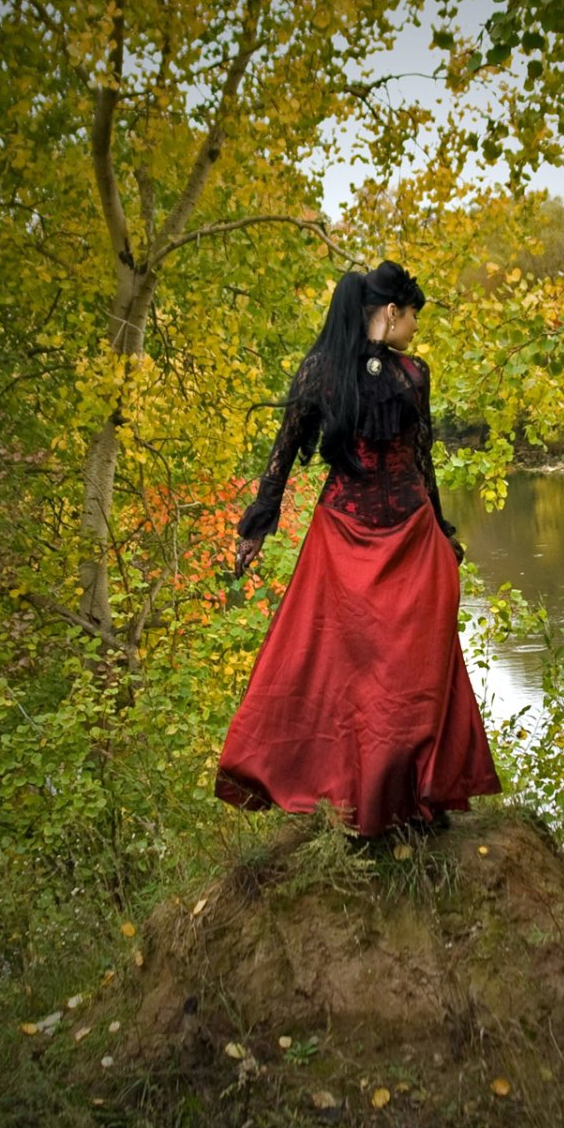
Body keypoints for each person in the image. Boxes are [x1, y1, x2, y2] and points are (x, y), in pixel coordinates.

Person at [216, 261, 500, 836]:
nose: (416, 328)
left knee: (380, 677)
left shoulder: (337, 370)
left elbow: (286, 455)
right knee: (385, 676)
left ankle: (399, 802)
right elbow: (416, 465)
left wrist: (441, 533)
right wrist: (256, 525)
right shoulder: (406, 375)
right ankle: (380, 805)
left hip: (365, 535)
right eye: (414, 315)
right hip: (386, 537)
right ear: (391, 312)